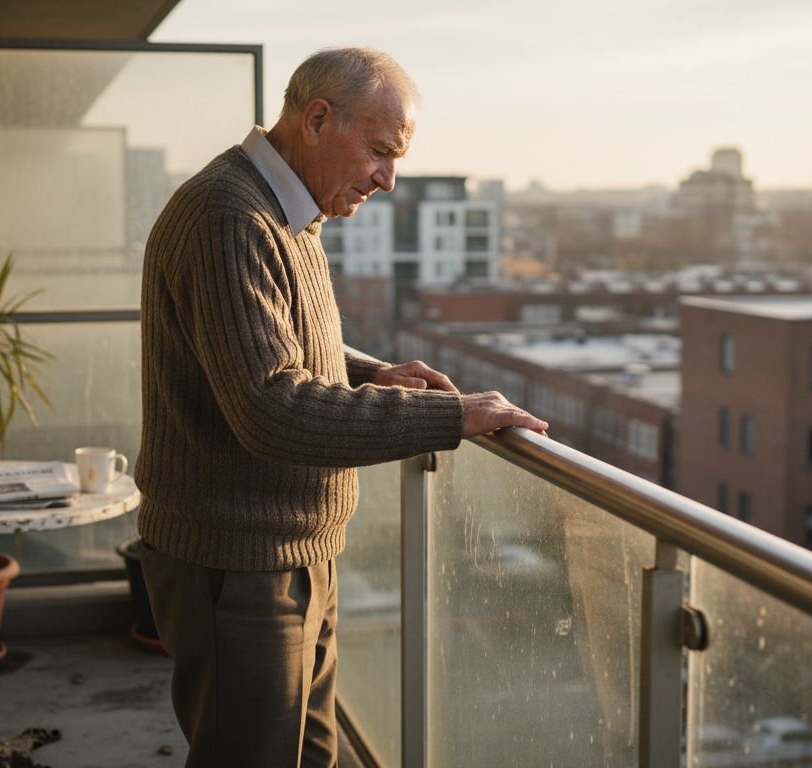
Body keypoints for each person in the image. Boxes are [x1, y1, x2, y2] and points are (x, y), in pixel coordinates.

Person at [134, 47, 547, 767]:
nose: (388, 180)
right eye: (381, 153)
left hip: (289, 552)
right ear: (318, 119)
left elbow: (261, 348)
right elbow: (269, 405)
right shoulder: (230, 215)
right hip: (238, 563)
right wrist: (454, 417)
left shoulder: (284, 213)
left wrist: (372, 371)